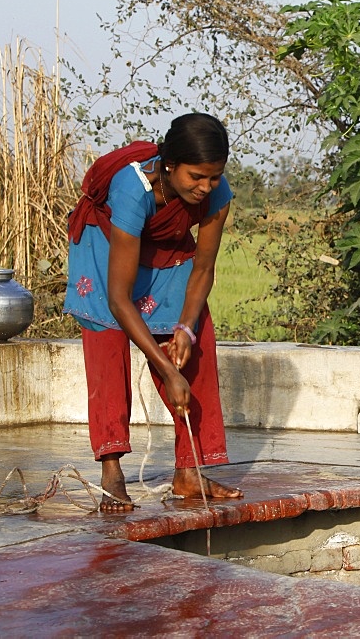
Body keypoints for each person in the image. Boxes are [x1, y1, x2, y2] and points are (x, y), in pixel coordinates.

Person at [64, 112, 243, 511]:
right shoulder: (134, 188)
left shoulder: (217, 192)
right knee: (108, 338)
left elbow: (203, 269)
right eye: (196, 176)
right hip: (109, 248)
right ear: (170, 165)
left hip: (168, 250)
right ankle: (111, 470)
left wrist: (185, 330)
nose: (205, 186)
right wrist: (164, 367)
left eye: (214, 177)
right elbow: (119, 299)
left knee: (196, 342)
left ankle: (189, 471)